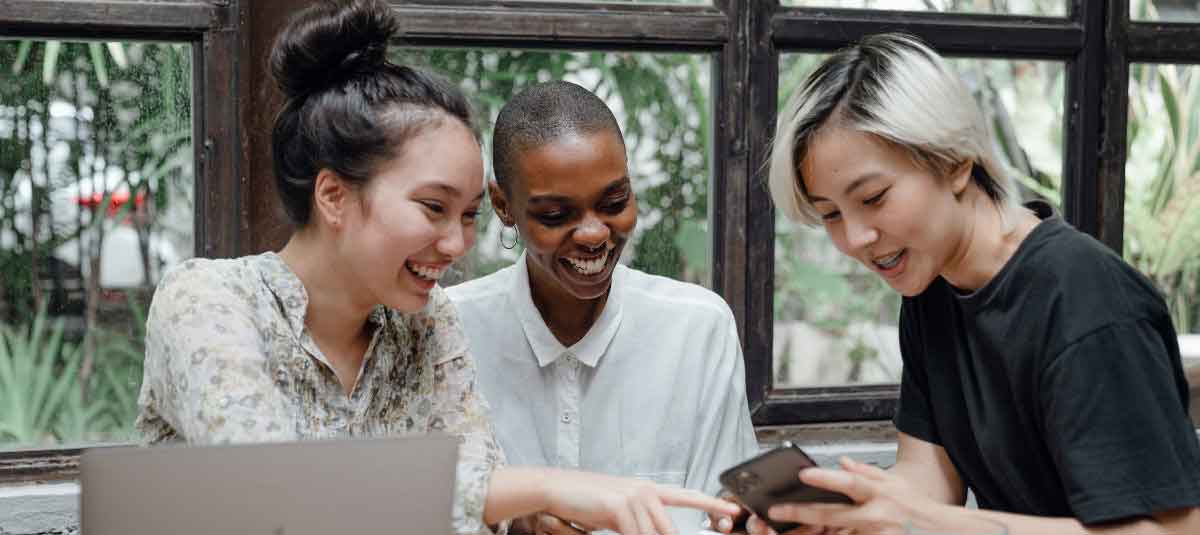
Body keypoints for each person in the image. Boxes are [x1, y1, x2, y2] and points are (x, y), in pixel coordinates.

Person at [134, 2, 739, 535]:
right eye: (433, 208)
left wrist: (513, 504)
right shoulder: (208, 301)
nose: (456, 244)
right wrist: (545, 488)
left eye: (470, 214)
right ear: (334, 196)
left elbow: (478, 504)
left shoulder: (426, 325)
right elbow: (273, 494)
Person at [755, 33, 1200, 535]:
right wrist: (840, 513)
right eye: (830, 213)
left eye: (874, 197)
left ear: (955, 161)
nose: (856, 238)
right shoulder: (931, 287)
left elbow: (1172, 532)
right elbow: (928, 480)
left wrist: (926, 519)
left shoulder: (1085, 299)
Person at [447, 81, 759, 535]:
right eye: (555, 215)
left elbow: (725, 517)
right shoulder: (450, 331)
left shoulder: (697, 328)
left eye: (614, 203)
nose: (593, 234)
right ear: (502, 205)